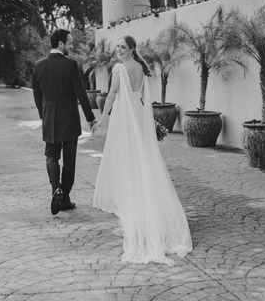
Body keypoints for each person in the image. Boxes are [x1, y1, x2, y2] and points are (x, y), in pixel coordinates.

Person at [92, 35, 192, 265]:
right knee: (140, 158)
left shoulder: (119, 69)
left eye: (123, 47)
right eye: (117, 47)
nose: (119, 50)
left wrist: (102, 118)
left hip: (124, 117)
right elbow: (143, 99)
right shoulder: (140, 67)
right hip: (136, 111)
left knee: (127, 158)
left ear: (131, 49)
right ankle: (139, 200)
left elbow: (112, 95)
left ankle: (133, 204)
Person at [32, 29, 96, 215]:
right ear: (60, 44)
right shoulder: (70, 65)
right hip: (70, 119)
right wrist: (90, 118)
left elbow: (36, 91)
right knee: (69, 162)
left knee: (51, 157)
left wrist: (42, 112)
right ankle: (65, 198)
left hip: (50, 118)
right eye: (69, 42)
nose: (71, 46)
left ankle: (56, 189)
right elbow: (81, 93)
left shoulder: (39, 65)